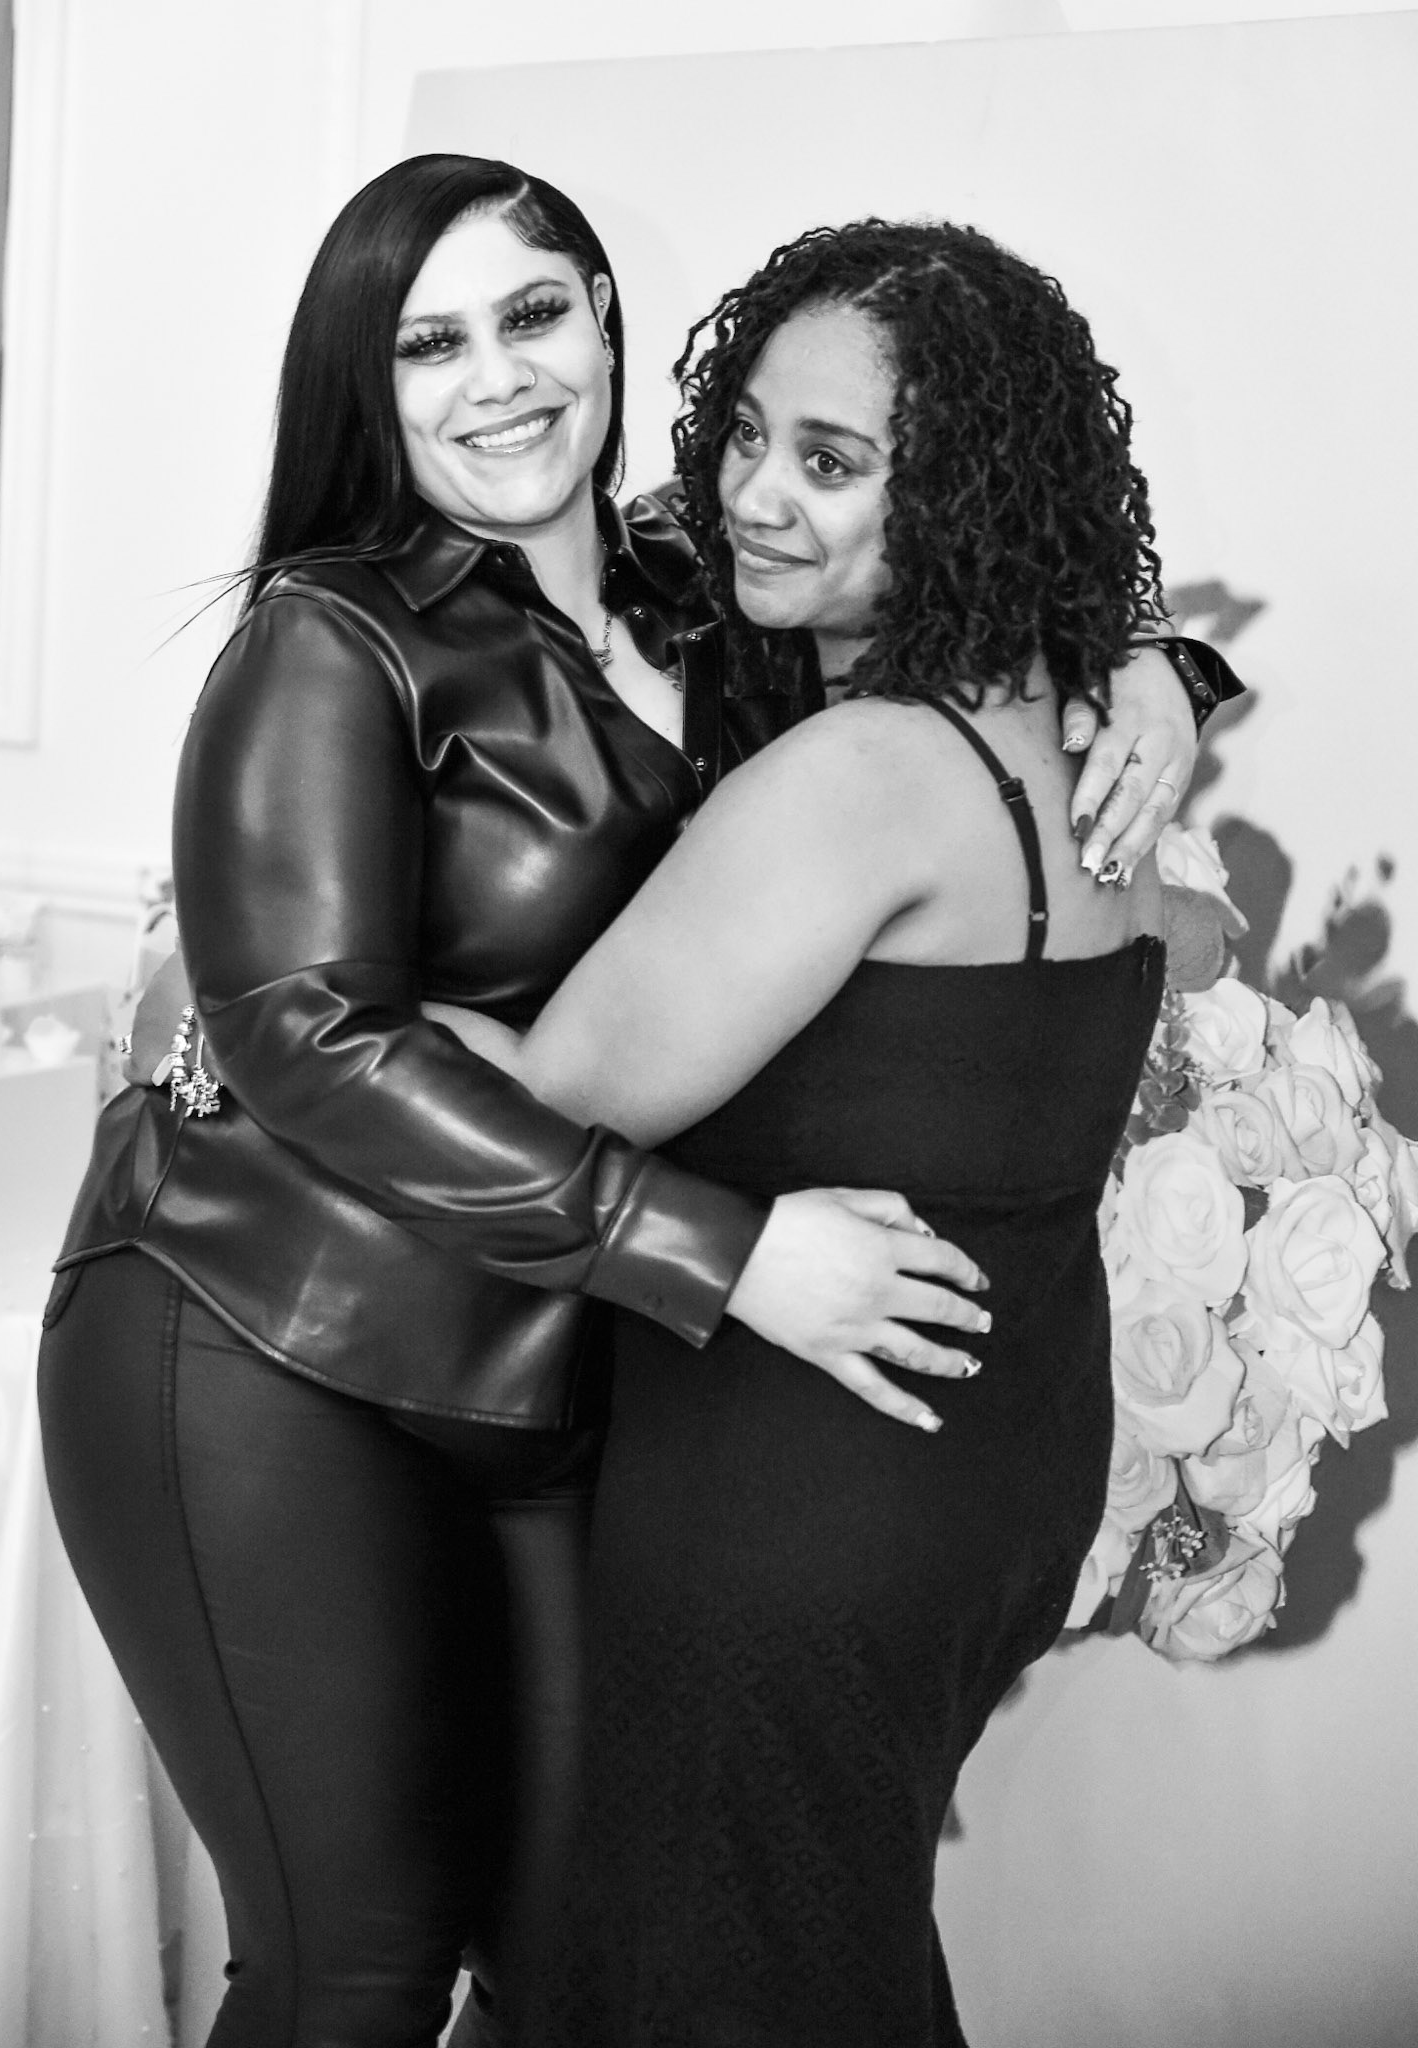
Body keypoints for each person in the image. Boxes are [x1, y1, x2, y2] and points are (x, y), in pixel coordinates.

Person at [36, 157, 1233, 2048]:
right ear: (367, 387)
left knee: (584, 1956)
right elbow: (304, 1042)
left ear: (606, 322)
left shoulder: (711, 595)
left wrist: (1151, 668)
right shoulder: (328, 637)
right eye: (429, 344)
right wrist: (724, 1253)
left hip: (549, 1354)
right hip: (265, 1327)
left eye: (532, 313)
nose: (497, 377)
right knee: (358, 1968)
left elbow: (959, 559)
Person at [423, 216, 1186, 2046]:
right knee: (818, 1944)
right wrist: (1166, 661)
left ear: (964, 497)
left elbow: (538, 1107)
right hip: (990, 1468)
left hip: (799, 1508)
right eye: (748, 434)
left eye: (831, 463)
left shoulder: (855, 778)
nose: (757, 494)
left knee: (722, 1976)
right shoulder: (1080, 747)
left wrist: (318, 1004)